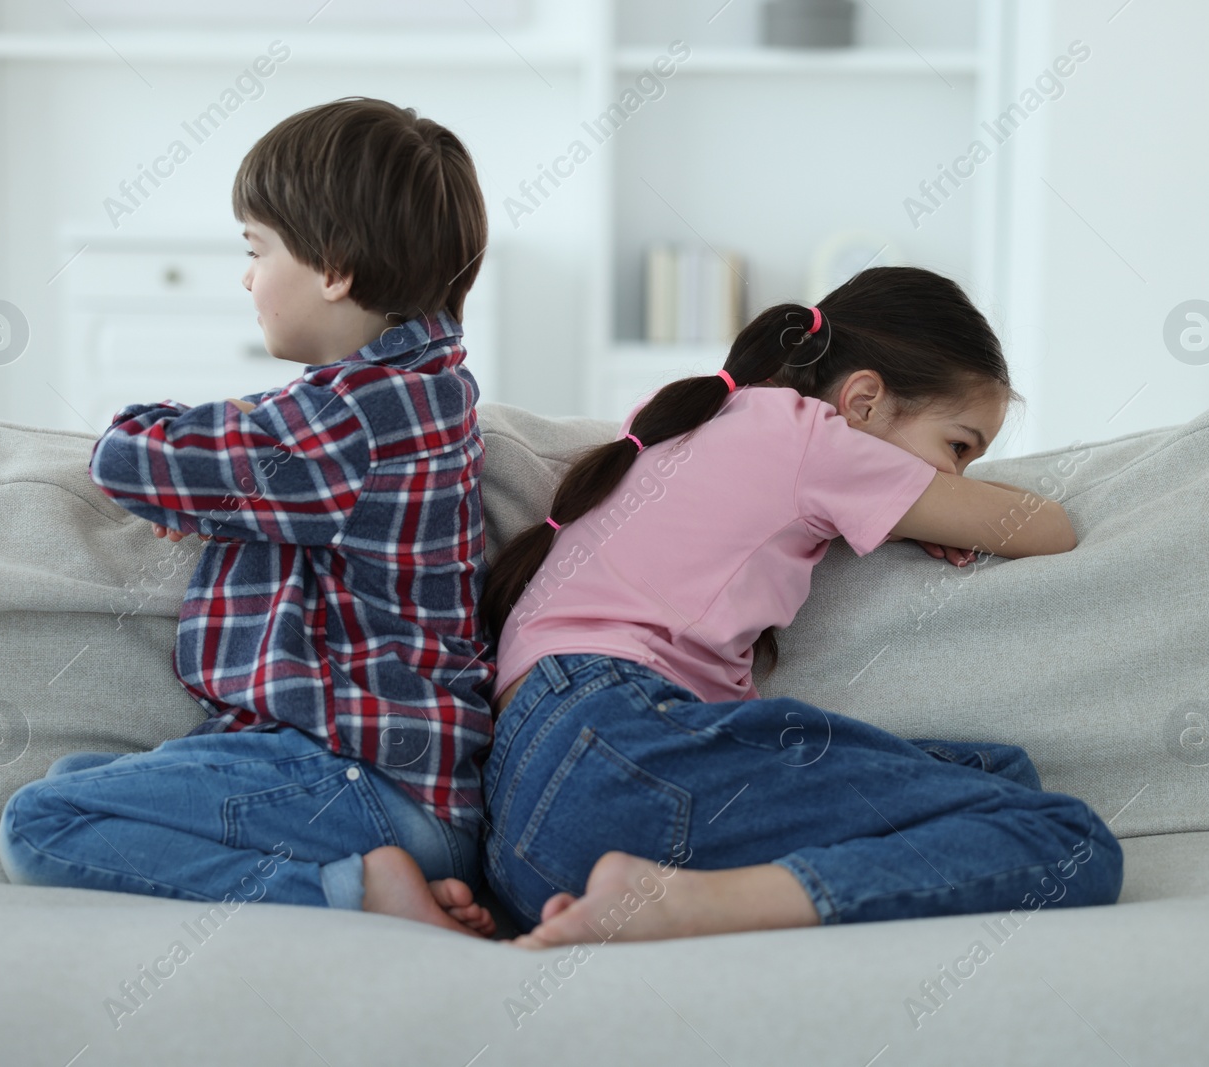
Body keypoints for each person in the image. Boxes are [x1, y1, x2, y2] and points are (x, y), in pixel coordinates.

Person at [479, 265, 1124, 947]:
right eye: (957, 447)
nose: (952, 477)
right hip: (622, 750)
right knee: (1070, 839)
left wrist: (910, 509)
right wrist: (932, 511)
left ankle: (672, 895)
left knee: (1001, 779)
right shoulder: (817, 437)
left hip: (528, 840)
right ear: (864, 401)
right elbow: (1046, 527)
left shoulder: (688, 415)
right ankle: (696, 903)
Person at [0, 97, 499, 938]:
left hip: (360, 781)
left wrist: (182, 470)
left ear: (334, 267)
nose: (246, 277)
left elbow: (129, 458)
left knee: (41, 823)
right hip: (396, 789)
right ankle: (383, 877)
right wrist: (218, 495)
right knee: (80, 774)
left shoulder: (354, 422)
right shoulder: (406, 392)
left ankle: (360, 893)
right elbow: (249, 454)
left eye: (256, 248)